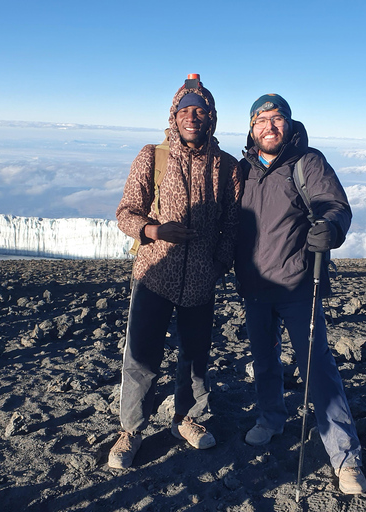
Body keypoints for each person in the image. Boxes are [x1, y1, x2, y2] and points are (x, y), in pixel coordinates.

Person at [234, 94, 366, 494]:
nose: (270, 126)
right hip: (255, 285)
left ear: (289, 125)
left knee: (316, 367)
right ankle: (271, 419)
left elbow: (334, 206)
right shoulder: (242, 169)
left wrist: (331, 226)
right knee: (264, 358)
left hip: (296, 284)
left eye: (277, 119)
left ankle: (345, 456)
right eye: (262, 120)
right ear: (251, 128)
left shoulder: (308, 163)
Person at [109, 75, 242, 469]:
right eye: (185, 109)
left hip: (201, 280)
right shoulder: (153, 156)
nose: (192, 116)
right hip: (153, 275)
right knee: (141, 356)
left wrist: (217, 263)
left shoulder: (227, 166)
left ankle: (188, 419)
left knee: (196, 356)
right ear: (174, 114)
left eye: (200, 110)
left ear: (211, 117)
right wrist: (153, 230)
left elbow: (232, 224)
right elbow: (125, 212)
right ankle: (130, 430)